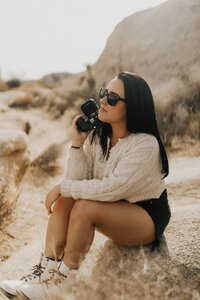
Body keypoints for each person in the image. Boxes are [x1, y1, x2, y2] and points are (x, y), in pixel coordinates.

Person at [0, 71, 171, 299]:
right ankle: (45, 273)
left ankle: (63, 284)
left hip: (146, 214)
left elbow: (112, 189)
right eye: (104, 93)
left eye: (112, 98)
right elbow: (77, 183)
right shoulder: (98, 136)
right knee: (65, 202)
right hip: (114, 207)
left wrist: (62, 186)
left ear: (133, 107)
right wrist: (77, 144)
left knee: (83, 206)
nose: (102, 100)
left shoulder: (145, 145)